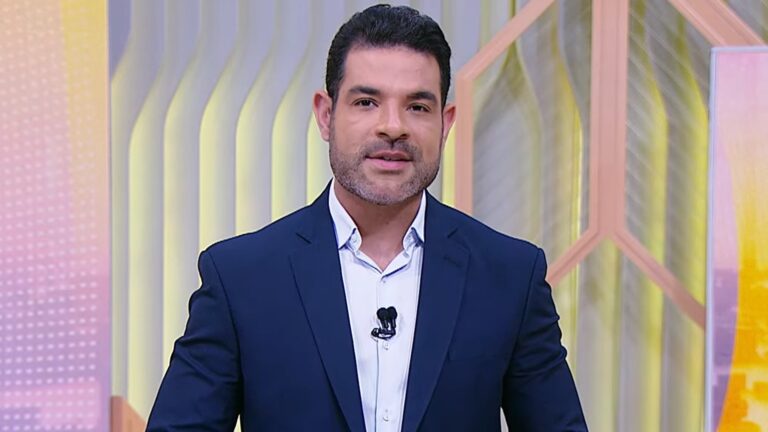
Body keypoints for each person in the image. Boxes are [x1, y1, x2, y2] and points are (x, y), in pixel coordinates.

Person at [147, 4, 587, 431]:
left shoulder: (510, 277)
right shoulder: (241, 278)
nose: (392, 126)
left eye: (417, 107)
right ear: (326, 115)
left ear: (446, 122)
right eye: (366, 102)